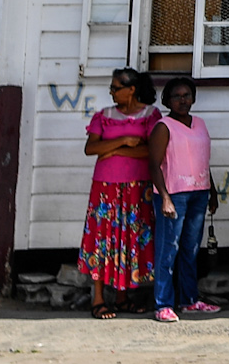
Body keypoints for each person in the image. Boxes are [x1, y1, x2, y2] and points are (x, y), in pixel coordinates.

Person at [79, 67, 160, 319]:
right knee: (103, 238)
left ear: (131, 89)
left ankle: (123, 297)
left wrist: (111, 150)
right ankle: (99, 298)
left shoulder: (150, 115)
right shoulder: (104, 115)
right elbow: (91, 148)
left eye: (116, 88)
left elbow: (150, 151)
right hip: (105, 187)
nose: (112, 92)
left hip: (138, 187)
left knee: (129, 239)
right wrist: (124, 140)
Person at [147, 76, 220, 323]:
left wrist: (212, 190)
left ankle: (189, 301)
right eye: (177, 96)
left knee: (190, 249)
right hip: (174, 195)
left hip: (199, 192)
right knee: (168, 250)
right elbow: (154, 165)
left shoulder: (199, 123)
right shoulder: (163, 126)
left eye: (187, 95)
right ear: (167, 100)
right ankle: (163, 304)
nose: (182, 100)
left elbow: (203, 159)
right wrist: (165, 198)